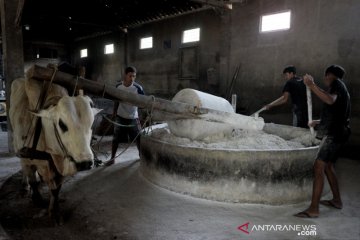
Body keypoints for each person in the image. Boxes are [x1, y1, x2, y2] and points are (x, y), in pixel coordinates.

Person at [295, 65, 351, 218]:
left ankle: (313, 209)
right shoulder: (340, 88)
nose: (325, 80)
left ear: (328, 75)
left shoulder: (336, 85)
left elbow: (330, 100)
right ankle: (337, 200)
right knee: (328, 166)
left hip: (334, 134)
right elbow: (338, 112)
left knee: (318, 167)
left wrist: (311, 85)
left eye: (326, 77)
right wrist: (318, 122)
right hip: (340, 131)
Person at [106, 66, 144, 166]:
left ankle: (141, 156)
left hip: (133, 117)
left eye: (134, 76)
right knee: (115, 138)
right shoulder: (119, 87)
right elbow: (116, 100)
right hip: (120, 116)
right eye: (130, 76)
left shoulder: (138, 88)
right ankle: (112, 158)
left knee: (139, 137)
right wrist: (114, 113)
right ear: (125, 75)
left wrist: (141, 114)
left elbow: (143, 103)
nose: (132, 78)